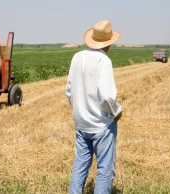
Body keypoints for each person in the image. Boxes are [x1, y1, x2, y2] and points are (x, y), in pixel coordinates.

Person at [66, 20, 122, 194]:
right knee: (105, 170)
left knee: (80, 165)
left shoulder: (77, 57)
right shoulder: (103, 61)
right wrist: (117, 112)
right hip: (101, 125)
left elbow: (69, 91)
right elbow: (106, 97)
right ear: (109, 42)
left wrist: (80, 110)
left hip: (81, 124)